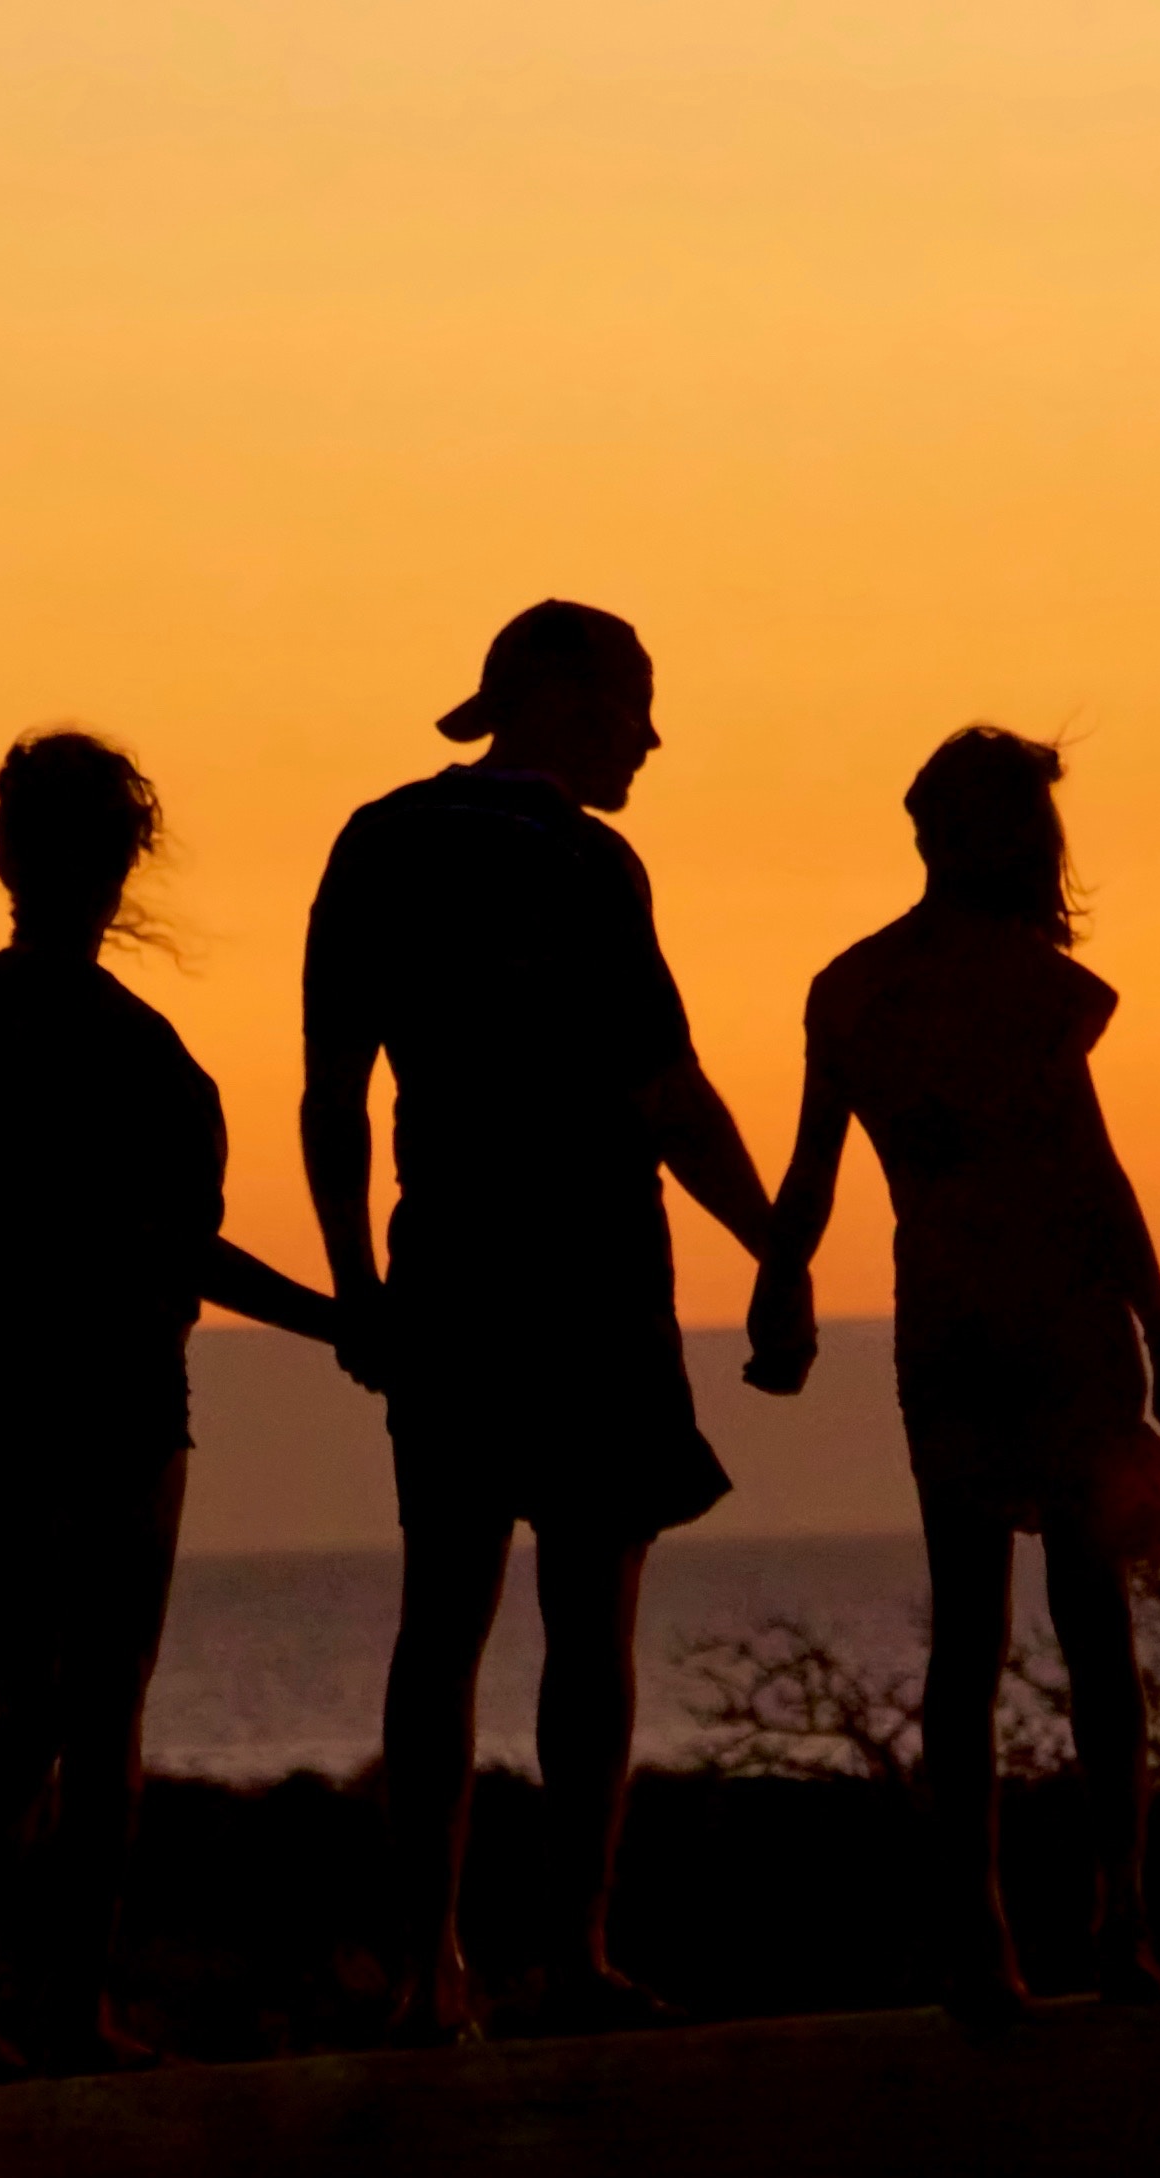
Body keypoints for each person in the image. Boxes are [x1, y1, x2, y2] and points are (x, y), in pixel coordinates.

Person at [301, 601, 775, 2042]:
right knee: (589, 1624)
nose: (648, 734)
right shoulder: (588, 863)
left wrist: (355, 1289)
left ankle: (434, 1962)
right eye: (635, 702)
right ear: (565, 704)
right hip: (588, 1282)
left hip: (442, 1272)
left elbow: (333, 1093)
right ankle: (573, 1954)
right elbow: (664, 1089)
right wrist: (777, 1245)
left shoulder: (377, 842)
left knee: (440, 1621)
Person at [0, 729, 338, 2074]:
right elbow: (175, 1250)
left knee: (45, 1708)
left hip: (29, 1402)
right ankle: (43, 2004)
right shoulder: (130, 1051)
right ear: (114, 863)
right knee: (94, 1710)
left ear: (6, 851)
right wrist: (338, 1320)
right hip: (107, 1401)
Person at [746, 728, 1160, 2020]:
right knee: (1089, 1627)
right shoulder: (1032, 987)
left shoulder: (851, 990)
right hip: (1052, 1321)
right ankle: (1113, 1922)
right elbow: (1094, 1182)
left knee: (974, 1635)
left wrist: (780, 1285)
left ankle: (987, 1938)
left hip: (948, 1320)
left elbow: (810, 1179)